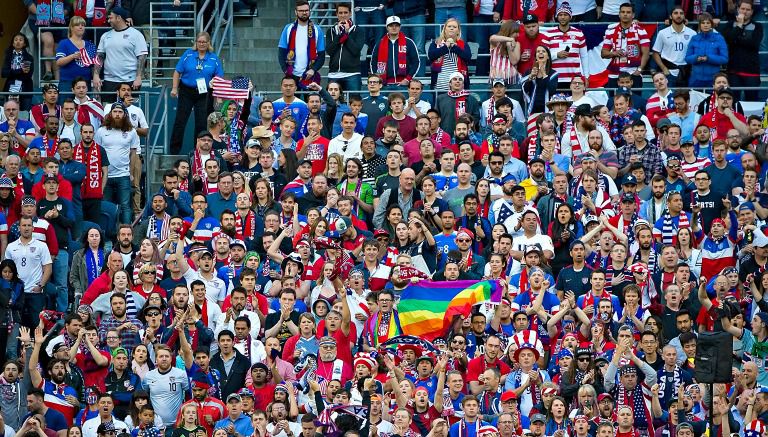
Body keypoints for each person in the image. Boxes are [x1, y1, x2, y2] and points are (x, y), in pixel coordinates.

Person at [169, 32, 224, 155]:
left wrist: (218, 97)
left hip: (204, 93)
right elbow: (177, 71)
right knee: (180, 120)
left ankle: (198, 152)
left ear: (209, 43)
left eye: (204, 42)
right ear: (196, 43)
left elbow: (219, 78)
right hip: (186, 90)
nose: (201, 44)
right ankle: (174, 151)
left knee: (201, 122)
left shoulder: (214, 58)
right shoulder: (188, 54)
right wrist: (174, 88)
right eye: (199, 41)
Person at [95, 102, 139, 224]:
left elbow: (133, 154)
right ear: (110, 114)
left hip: (123, 175)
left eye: (120, 112)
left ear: (125, 115)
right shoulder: (101, 131)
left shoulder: (132, 132)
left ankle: (126, 232)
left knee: (125, 206)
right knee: (107, 207)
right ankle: (108, 237)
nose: (117, 115)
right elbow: (96, 153)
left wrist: (131, 173)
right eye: (115, 112)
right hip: (105, 177)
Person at [93, 7, 148, 102]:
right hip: (109, 80)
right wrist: (96, 75)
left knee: (130, 111)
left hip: (130, 79)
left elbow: (142, 57)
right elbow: (100, 56)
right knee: (108, 110)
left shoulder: (136, 34)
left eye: (111, 18)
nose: (108, 20)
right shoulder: (105, 36)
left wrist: (139, 77)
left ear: (119, 18)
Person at [721, 0, 763, 101]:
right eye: (742, 9)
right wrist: (739, 26)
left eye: (748, 9)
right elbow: (729, 40)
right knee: (733, 102)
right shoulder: (730, 25)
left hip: (752, 71)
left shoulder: (757, 26)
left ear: (752, 11)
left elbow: (754, 44)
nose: (745, 12)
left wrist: (737, 39)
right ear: (738, 9)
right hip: (733, 70)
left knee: (752, 101)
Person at [278, 0, 325, 89]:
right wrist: (286, 71)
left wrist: (313, 70)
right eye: (301, 11)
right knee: (293, 102)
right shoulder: (288, 28)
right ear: (296, 12)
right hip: (292, 75)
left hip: (310, 74)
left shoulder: (317, 29)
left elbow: (321, 55)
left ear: (309, 11)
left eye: (306, 10)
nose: (304, 13)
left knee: (312, 102)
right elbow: (281, 53)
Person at [542, 3, 588, 88]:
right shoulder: (548, 34)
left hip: (574, 79)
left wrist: (586, 76)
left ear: (570, 16)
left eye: (565, 15)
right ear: (557, 17)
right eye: (560, 15)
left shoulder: (579, 33)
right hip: (554, 77)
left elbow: (584, 56)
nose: (562, 17)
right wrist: (557, 55)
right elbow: (542, 56)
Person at [369, 16, 421, 90]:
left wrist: (407, 79)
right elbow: (373, 63)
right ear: (387, 27)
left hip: (403, 85)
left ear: (400, 27)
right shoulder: (380, 43)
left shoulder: (409, 42)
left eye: (396, 25)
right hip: (385, 85)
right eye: (391, 26)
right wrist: (378, 80)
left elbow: (416, 62)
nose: (394, 28)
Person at [54, 17, 98, 99]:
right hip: (67, 82)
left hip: (85, 82)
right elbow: (59, 62)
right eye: (77, 25)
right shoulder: (64, 43)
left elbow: (94, 64)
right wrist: (72, 56)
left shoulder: (89, 44)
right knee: (66, 108)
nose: (81, 27)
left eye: (83, 25)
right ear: (71, 28)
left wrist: (96, 77)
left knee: (85, 108)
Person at [326, 3, 364, 92]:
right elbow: (330, 51)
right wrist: (339, 35)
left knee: (354, 103)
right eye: (340, 13)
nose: (343, 15)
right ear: (337, 14)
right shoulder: (331, 31)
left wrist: (346, 34)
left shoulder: (358, 30)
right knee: (332, 104)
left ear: (350, 14)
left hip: (352, 74)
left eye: (345, 12)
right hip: (334, 74)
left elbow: (356, 50)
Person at [684, 13, 728, 88]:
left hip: (713, 80)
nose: (705, 25)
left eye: (708, 23)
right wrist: (696, 58)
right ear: (700, 25)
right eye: (703, 23)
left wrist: (708, 58)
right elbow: (687, 58)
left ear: (711, 24)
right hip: (696, 79)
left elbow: (724, 59)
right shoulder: (694, 38)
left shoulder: (719, 38)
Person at [427, 18, 472, 91]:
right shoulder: (436, 43)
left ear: (458, 31)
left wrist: (454, 47)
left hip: (458, 87)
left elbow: (467, 58)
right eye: (449, 26)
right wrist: (445, 47)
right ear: (444, 29)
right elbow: (431, 56)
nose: (451, 28)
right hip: (439, 86)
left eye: (454, 27)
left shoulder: (463, 45)